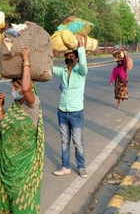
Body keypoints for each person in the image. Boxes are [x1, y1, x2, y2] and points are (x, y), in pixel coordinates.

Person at [0, 47, 45, 214]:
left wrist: (26, 58)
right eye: (12, 87)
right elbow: (5, 127)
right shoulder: (15, 107)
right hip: (7, 165)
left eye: (16, 87)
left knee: (23, 206)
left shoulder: (32, 106)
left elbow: (26, 89)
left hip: (25, 167)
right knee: (4, 202)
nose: (13, 90)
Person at [52, 34, 89, 178]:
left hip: (76, 112)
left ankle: (81, 167)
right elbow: (48, 68)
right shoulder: (62, 71)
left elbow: (84, 65)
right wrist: (50, 53)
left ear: (76, 58)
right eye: (67, 56)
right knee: (64, 141)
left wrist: (80, 45)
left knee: (77, 142)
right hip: (62, 112)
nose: (69, 58)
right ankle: (65, 166)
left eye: (72, 56)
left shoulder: (80, 72)